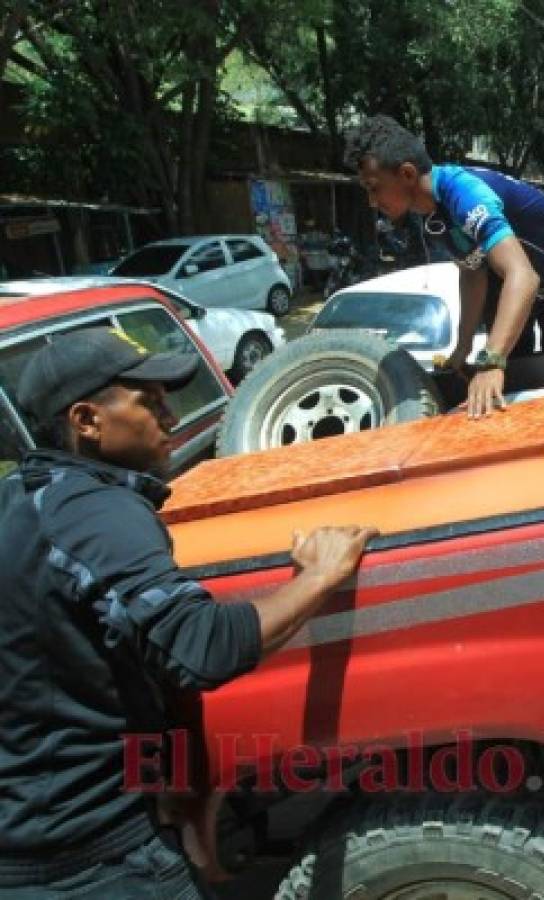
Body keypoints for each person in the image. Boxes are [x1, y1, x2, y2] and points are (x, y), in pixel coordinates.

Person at [0, 327, 377, 897]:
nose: (170, 416)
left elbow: (119, 668)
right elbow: (202, 648)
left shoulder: (22, 502)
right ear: (86, 421)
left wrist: (177, 790)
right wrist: (321, 575)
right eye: (148, 402)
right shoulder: (97, 515)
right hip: (97, 861)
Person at [343, 115, 544, 418]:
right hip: (508, 282)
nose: (371, 201)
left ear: (407, 174)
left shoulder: (466, 195)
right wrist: (461, 349)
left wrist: (493, 361)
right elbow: (472, 271)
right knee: (514, 384)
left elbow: (523, 276)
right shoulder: (429, 213)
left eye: (373, 188)